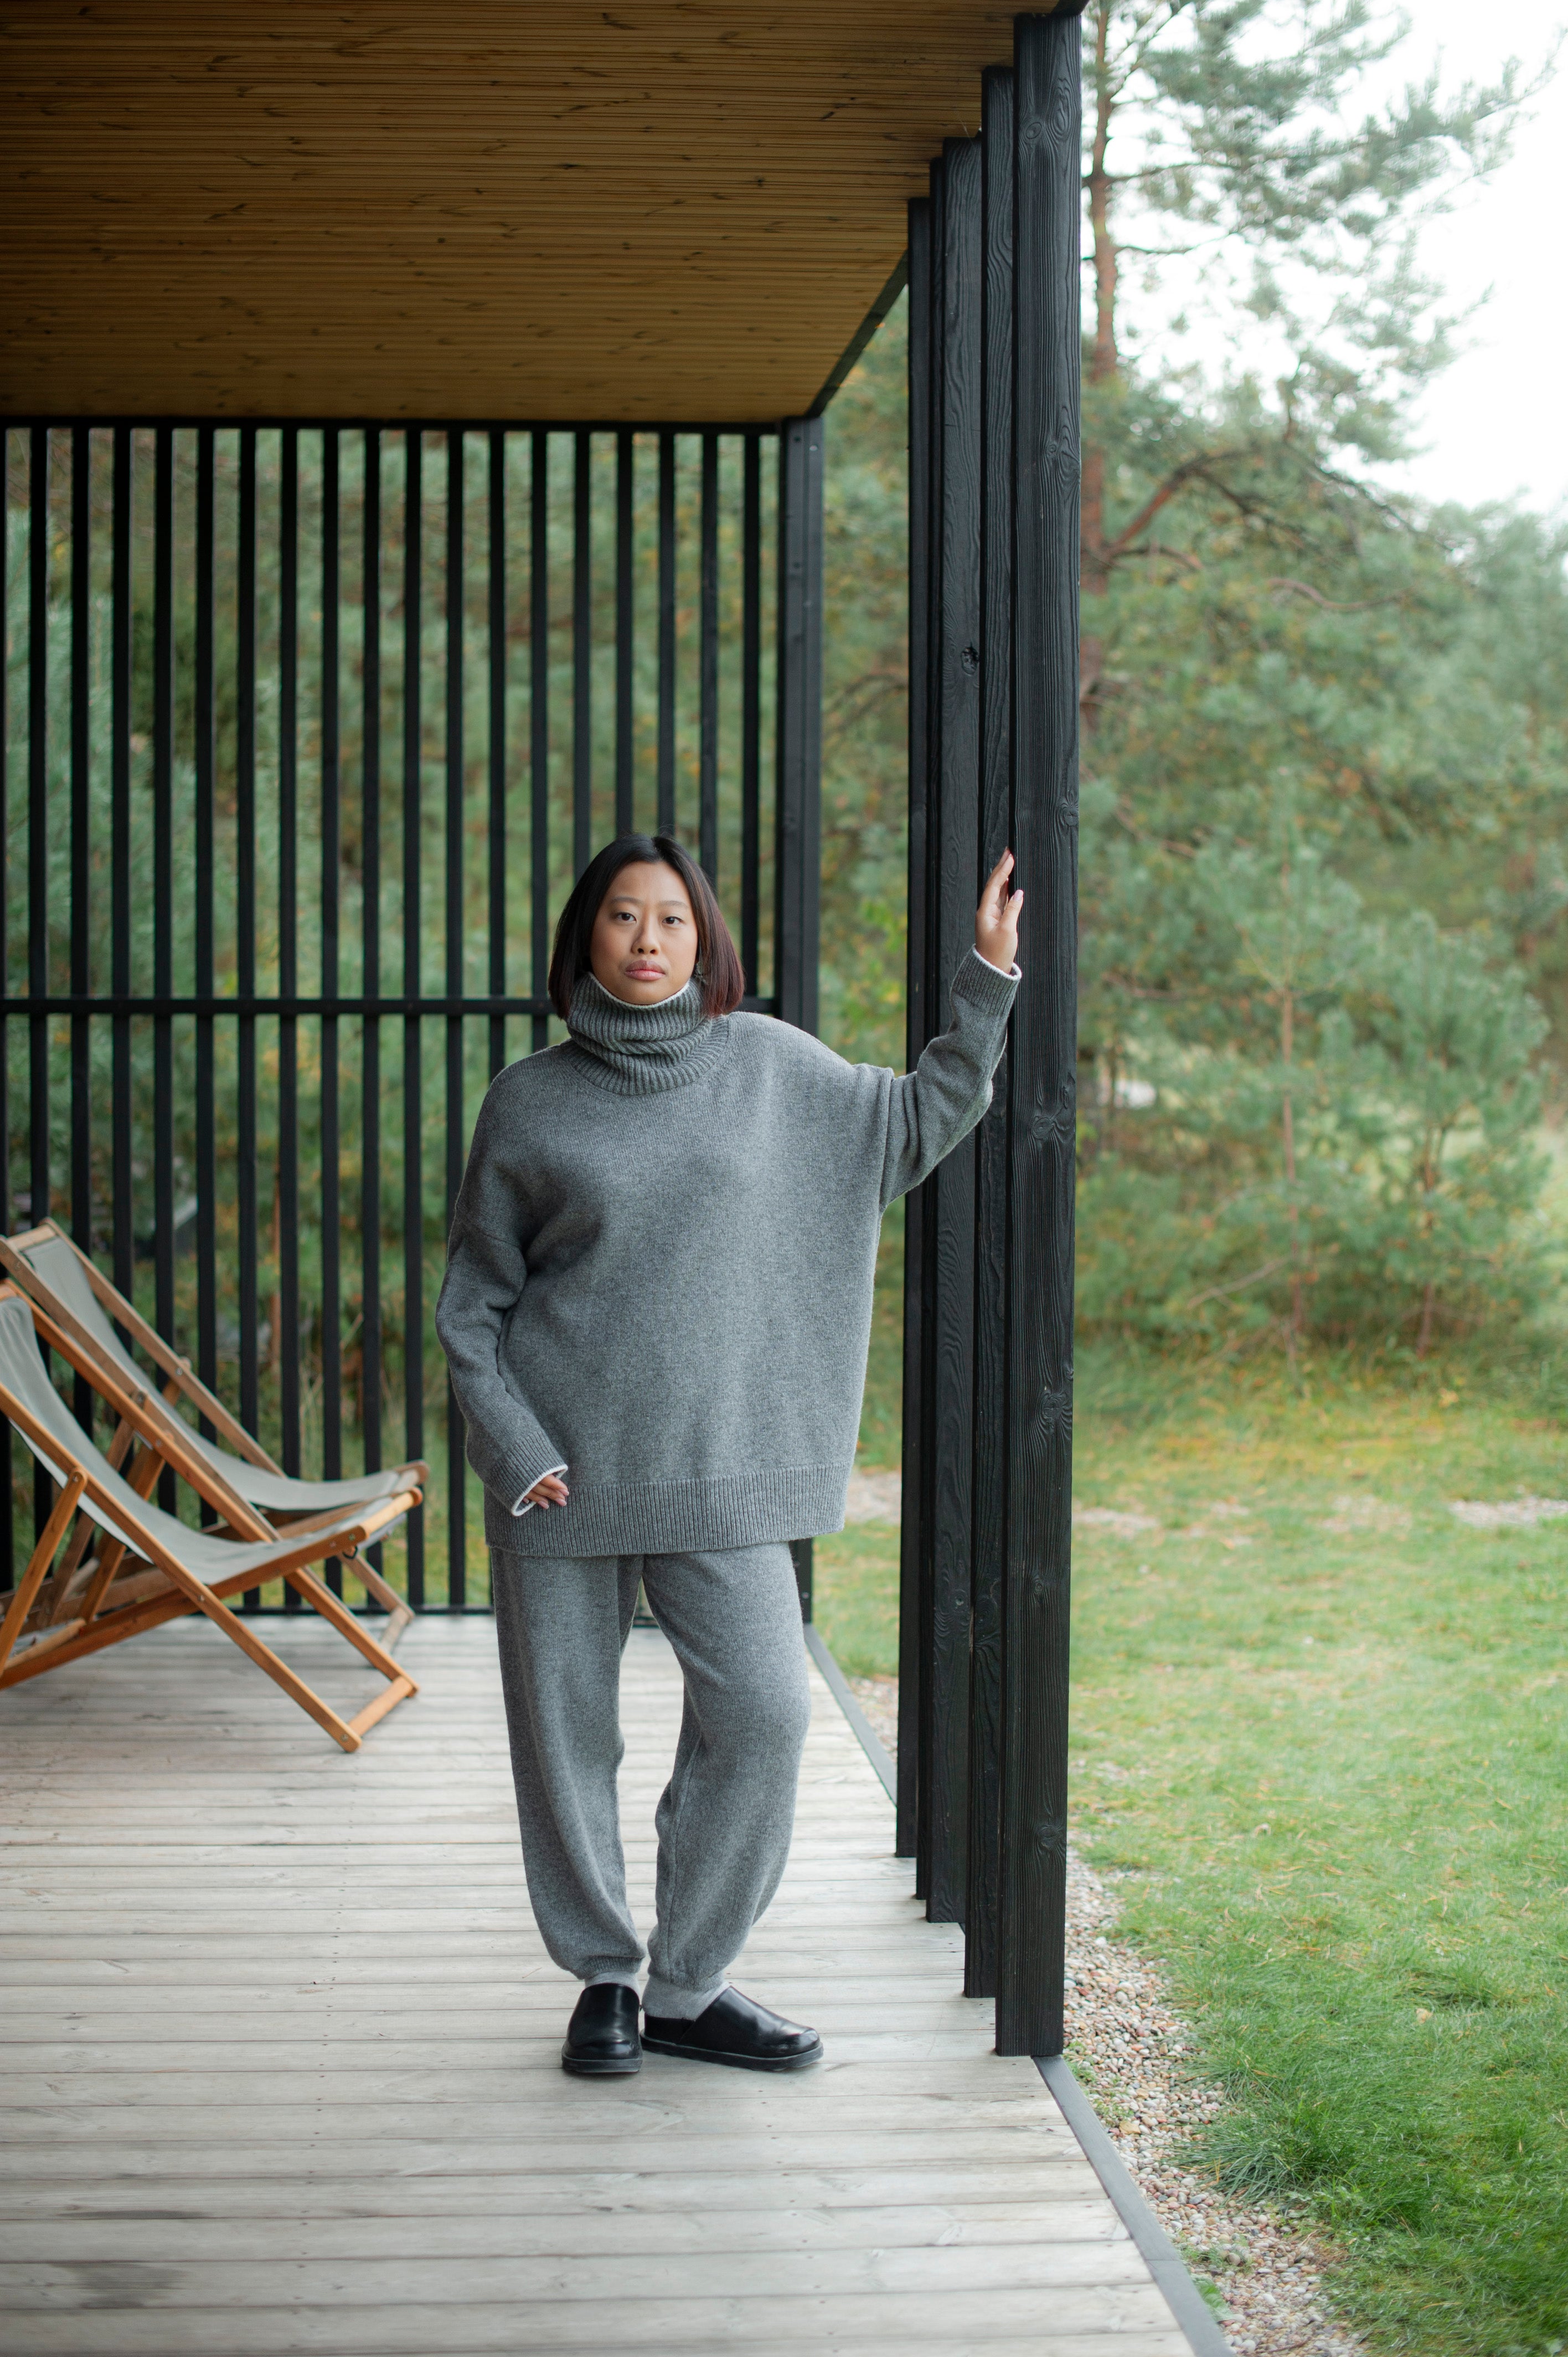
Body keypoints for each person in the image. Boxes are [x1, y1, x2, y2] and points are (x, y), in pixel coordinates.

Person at [437, 832, 1022, 2077]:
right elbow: (473, 1305)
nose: (647, 940)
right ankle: (605, 1976)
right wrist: (515, 1447)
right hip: (559, 1479)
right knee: (567, 1741)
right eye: (622, 916)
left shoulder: (770, 1066)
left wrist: (985, 977)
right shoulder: (528, 1100)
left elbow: (916, 1120)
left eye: (671, 919)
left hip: (721, 1473)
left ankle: (688, 1984)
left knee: (764, 1713)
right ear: (586, 937)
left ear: (704, 937)